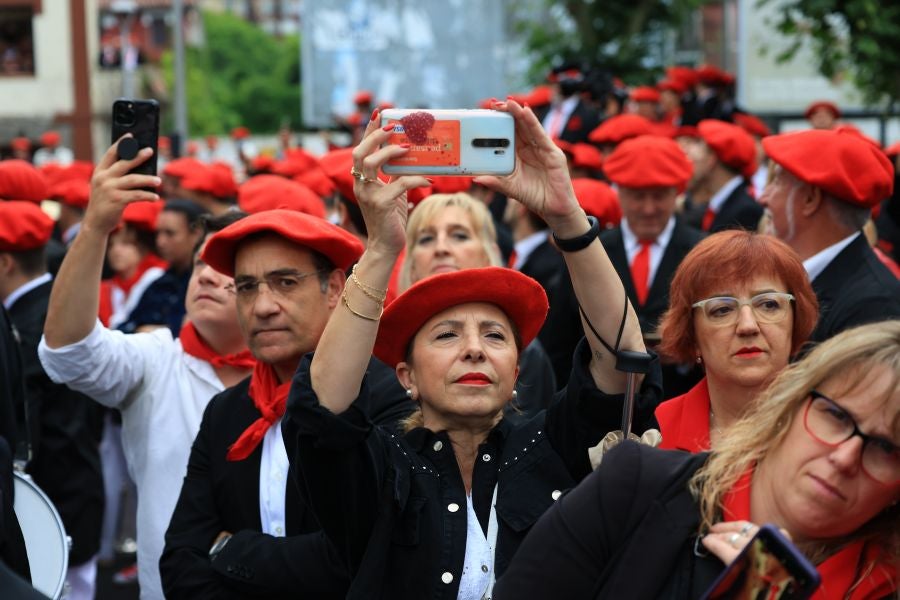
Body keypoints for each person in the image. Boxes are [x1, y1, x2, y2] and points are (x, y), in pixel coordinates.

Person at [284, 98, 661, 600]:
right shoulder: (380, 466)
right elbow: (322, 413)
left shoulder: (551, 447)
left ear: (517, 368)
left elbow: (622, 364)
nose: (474, 350)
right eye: (446, 335)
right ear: (406, 376)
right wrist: (380, 249)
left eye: (495, 335)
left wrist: (567, 217)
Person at [494, 319, 900, 599]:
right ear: (792, 404)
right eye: (836, 416)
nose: (846, 456)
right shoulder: (636, 487)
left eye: (886, 448)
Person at [160, 209, 414, 598]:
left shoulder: (387, 398)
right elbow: (180, 560)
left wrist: (230, 549)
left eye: (285, 282)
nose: (262, 306)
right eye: (246, 287)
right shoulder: (226, 413)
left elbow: (365, 555)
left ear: (334, 289)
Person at [39, 141, 254, 600]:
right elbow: (68, 352)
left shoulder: (304, 375)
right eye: (202, 265)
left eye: (230, 270)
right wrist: (96, 225)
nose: (209, 277)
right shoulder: (156, 359)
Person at [542, 135, 705, 394]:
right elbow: (559, 340)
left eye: (660, 196)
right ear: (618, 192)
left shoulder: (704, 251)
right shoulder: (588, 250)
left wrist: (691, 353)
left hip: (683, 397)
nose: (648, 208)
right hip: (604, 407)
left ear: (678, 192)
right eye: (637, 196)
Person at [0, 201, 105, 600]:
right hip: (79, 482)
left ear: (6, 262)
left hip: (54, 495)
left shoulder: (26, 323)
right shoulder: (58, 305)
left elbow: (26, 428)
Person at [654, 230, 819, 450]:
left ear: (796, 319)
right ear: (691, 335)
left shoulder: (831, 427)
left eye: (769, 305)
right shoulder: (655, 433)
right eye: (722, 310)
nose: (748, 325)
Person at [399, 192, 556, 420]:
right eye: (426, 239)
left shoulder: (526, 351)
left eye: (459, 236)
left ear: (487, 253)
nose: (441, 248)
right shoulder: (378, 349)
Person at [759, 127, 900, 343]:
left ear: (810, 199)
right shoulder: (819, 280)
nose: (763, 197)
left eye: (777, 182)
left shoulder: (871, 307)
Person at [119, 199, 209, 336]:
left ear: (196, 234)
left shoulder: (207, 283)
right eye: (158, 233)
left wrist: (156, 333)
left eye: (170, 233)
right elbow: (124, 327)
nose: (160, 241)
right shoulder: (158, 282)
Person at [684, 119, 763, 233]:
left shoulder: (745, 212)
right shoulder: (722, 204)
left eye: (699, 144)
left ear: (711, 159)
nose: (691, 162)